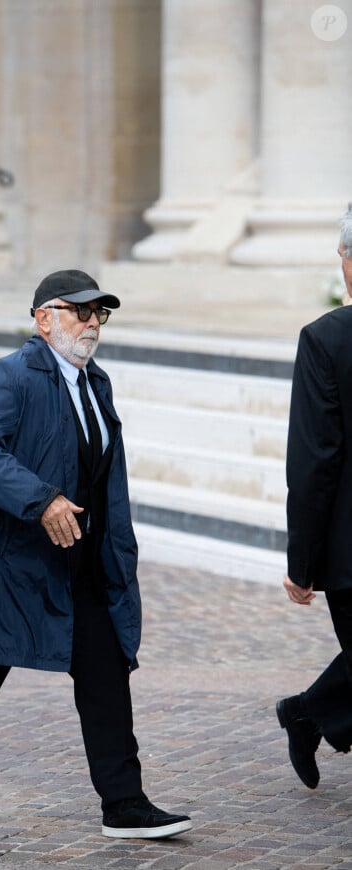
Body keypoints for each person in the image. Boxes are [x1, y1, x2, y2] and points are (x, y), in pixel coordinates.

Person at [0, 269, 192, 841]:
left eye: (99, 313)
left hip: (80, 556)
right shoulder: (12, 375)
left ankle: (124, 802)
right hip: (13, 557)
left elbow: (104, 477)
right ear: (42, 317)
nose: (91, 324)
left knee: (104, 669)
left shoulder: (95, 383)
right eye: (80, 311)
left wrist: (116, 549)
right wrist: (42, 499)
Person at [277, 203, 352, 788]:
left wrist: (300, 564)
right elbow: (315, 461)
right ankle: (306, 713)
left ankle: (305, 712)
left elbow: (312, 461)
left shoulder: (326, 339)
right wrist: (303, 563)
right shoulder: (328, 339)